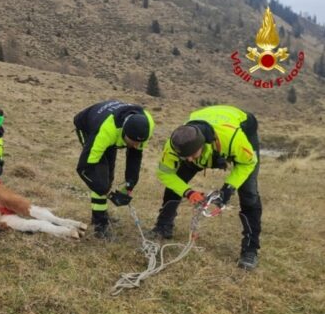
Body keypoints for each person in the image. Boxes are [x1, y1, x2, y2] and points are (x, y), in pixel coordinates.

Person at [150, 105, 261, 270]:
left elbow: (248, 163)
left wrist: (228, 189)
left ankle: (250, 250)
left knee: (249, 195)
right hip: (205, 131)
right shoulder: (176, 144)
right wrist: (188, 192)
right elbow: (165, 173)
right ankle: (163, 227)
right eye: (183, 156)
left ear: (203, 145)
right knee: (176, 183)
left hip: (240, 127)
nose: (187, 160)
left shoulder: (233, 139)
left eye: (191, 155)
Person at [72, 100, 154, 239]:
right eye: (132, 142)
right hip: (87, 126)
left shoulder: (147, 125)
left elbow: (135, 156)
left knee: (109, 175)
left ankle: (101, 214)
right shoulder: (106, 132)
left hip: (110, 131)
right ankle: (99, 223)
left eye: (139, 142)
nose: (136, 145)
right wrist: (106, 191)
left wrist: (129, 184)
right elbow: (84, 168)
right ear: (123, 132)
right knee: (101, 178)